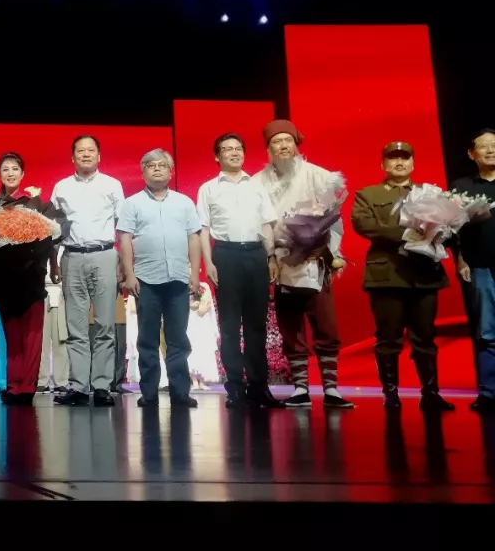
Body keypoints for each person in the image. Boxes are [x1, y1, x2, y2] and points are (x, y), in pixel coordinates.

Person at [253, 119, 351, 408]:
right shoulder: (257, 182)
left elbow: (334, 219)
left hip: (316, 259)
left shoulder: (318, 175)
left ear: (296, 144)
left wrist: (333, 253)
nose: (283, 146)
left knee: (325, 324)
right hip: (282, 260)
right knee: (290, 325)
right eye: (276, 142)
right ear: (268, 149)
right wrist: (270, 256)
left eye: (288, 140)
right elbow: (260, 225)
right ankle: (300, 389)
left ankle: (331, 389)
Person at [352, 142, 454, 411]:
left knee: (425, 336)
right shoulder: (368, 194)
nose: (399, 162)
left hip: (424, 274)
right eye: (393, 158)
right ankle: (390, 393)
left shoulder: (430, 194)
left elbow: (447, 227)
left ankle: (431, 393)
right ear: (383, 164)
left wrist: (439, 230)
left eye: (404, 158)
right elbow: (364, 224)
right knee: (388, 338)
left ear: (413, 163)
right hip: (386, 275)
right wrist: (412, 233)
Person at [196, 132, 286, 409]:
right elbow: (203, 229)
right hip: (226, 255)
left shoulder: (257, 186)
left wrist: (271, 256)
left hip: (256, 255)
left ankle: (259, 387)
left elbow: (267, 224)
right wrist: (209, 263)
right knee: (230, 326)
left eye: (238, 148)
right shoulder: (208, 189)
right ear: (217, 156)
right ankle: (235, 387)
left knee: (257, 325)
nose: (234, 153)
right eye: (227, 149)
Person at [0, 152, 67, 405]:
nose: (10, 173)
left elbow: (51, 237)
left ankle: (27, 386)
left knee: (32, 332)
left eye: (15, 169)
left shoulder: (37, 206)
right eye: (5, 169)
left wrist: (51, 262)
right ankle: (13, 384)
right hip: (5, 276)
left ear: (22, 173)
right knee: (11, 332)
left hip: (31, 275)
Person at [117, 149, 202, 408]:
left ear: (170, 171)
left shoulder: (184, 202)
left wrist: (194, 273)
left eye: (162, 165)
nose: (156, 169)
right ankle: (149, 392)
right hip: (145, 279)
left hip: (178, 277)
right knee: (147, 339)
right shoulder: (132, 203)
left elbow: (194, 238)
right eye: (151, 165)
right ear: (143, 172)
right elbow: (125, 239)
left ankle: (180, 392)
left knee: (178, 338)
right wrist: (129, 274)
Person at [51, 135, 124, 407]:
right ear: (72, 157)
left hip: (104, 255)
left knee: (105, 325)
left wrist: (123, 262)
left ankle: (102, 386)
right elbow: (53, 228)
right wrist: (53, 261)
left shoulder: (112, 185)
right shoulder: (61, 187)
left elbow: (123, 226)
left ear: (99, 156)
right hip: (71, 256)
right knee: (76, 326)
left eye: (91, 150)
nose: (85, 154)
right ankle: (79, 386)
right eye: (80, 151)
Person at [450, 128, 495, 413]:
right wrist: (460, 259)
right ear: (472, 153)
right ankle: (489, 391)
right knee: (487, 331)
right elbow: (452, 229)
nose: (491, 150)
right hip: (481, 267)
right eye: (484, 146)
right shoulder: (462, 186)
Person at [38, 245, 68, 392]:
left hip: (60, 295)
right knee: (41, 341)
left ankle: (61, 380)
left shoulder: (64, 250)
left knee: (61, 340)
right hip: (41, 294)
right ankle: (41, 380)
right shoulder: (41, 248)